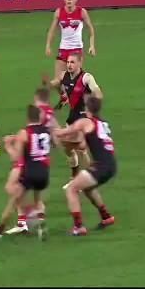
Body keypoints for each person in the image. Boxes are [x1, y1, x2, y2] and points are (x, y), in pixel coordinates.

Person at [0, 105, 54, 240]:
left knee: (13, 201)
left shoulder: (24, 133)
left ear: (27, 118)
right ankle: (40, 222)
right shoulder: (47, 131)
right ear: (39, 117)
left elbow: (15, 157)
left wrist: (8, 145)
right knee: (38, 199)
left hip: (30, 173)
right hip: (44, 173)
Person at [55, 96, 116, 235]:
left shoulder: (85, 122)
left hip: (101, 166)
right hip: (110, 165)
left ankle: (78, 227)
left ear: (86, 108)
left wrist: (49, 127)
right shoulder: (101, 123)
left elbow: (62, 133)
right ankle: (106, 217)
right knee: (88, 188)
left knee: (71, 189)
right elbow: (82, 144)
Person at [48, 53, 103, 189]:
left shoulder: (86, 78)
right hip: (72, 116)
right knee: (68, 149)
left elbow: (98, 92)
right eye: (67, 62)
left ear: (79, 63)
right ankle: (76, 177)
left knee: (80, 148)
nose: (69, 65)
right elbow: (62, 88)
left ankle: (89, 179)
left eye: (72, 62)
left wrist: (94, 106)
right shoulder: (63, 76)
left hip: (84, 118)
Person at [45, 0, 97, 81]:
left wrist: (92, 46)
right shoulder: (59, 12)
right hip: (63, 49)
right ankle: (53, 89)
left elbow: (90, 29)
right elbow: (52, 31)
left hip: (76, 50)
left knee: (74, 81)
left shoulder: (81, 12)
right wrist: (48, 46)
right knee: (58, 81)